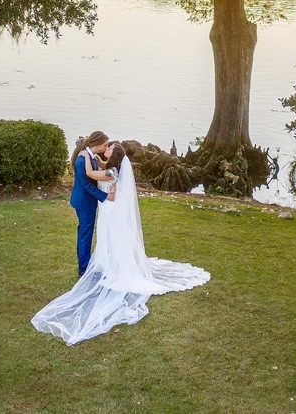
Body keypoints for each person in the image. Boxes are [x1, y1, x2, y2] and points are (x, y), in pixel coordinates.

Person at [32, 143, 210, 345]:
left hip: (109, 209)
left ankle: (113, 265)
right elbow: (102, 166)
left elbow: (91, 174)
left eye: (109, 148)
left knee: (110, 238)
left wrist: (84, 156)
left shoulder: (111, 173)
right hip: (107, 208)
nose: (106, 148)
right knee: (108, 238)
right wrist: (98, 159)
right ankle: (108, 262)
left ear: (114, 155)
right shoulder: (112, 168)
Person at [69, 131, 114, 276]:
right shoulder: (82, 160)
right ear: (98, 144)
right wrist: (105, 196)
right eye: (105, 145)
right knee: (85, 233)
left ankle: (86, 264)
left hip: (88, 201)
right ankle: (84, 269)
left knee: (87, 232)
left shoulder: (91, 156)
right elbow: (86, 185)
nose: (106, 147)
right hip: (84, 202)